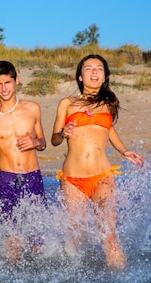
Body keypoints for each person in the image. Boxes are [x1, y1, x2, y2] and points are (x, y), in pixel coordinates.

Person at [51, 54, 144, 270]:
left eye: (99, 68)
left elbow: (108, 128)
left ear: (104, 76)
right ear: (80, 77)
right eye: (88, 68)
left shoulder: (108, 104)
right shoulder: (67, 103)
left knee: (109, 236)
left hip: (103, 176)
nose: (94, 71)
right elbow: (54, 140)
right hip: (73, 179)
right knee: (77, 236)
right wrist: (63, 132)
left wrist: (124, 151)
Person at [0, 61, 47, 262]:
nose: (4, 88)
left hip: (32, 176)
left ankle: (37, 278)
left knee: (37, 237)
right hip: (5, 180)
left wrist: (35, 142)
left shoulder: (32, 108)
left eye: (8, 82)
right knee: (12, 236)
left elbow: (43, 143)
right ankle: (11, 279)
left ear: (16, 81)